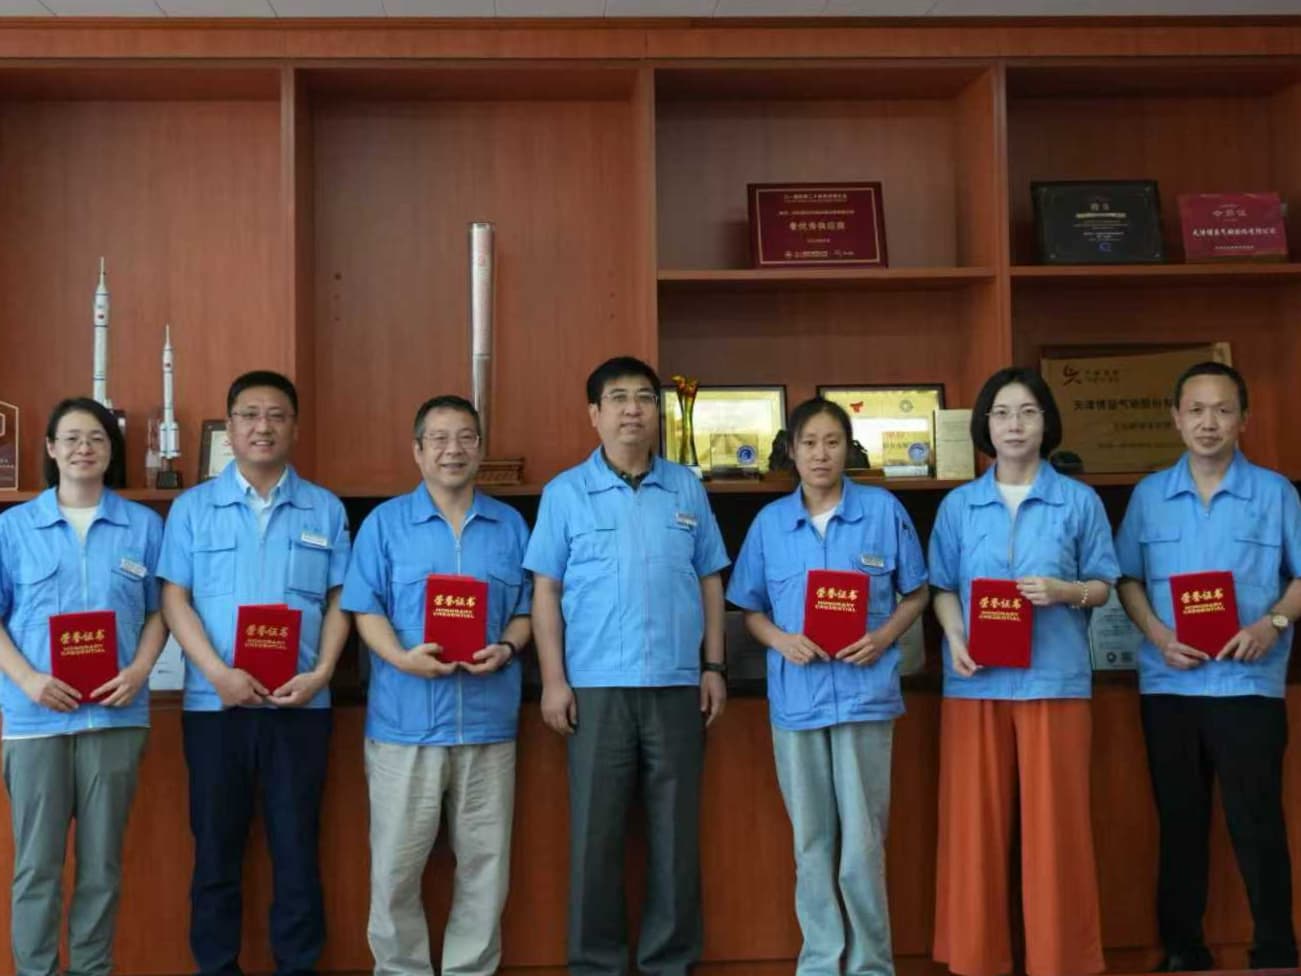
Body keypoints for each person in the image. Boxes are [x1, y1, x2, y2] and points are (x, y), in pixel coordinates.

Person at [523, 355, 729, 976]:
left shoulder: (686, 488)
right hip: (595, 689)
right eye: (618, 398)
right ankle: (595, 963)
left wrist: (713, 666)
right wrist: (553, 681)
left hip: (675, 685)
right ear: (595, 414)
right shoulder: (565, 493)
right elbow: (546, 591)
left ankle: (670, 962)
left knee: (676, 838)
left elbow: (710, 579)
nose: (633, 410)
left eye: (644, 397)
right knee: (596, 836)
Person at [725, 397, 928, 976]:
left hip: (865, 695)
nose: (821, 454)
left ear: (848, 449)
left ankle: (870, 965)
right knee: (811, 842)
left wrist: (883, 637)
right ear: (791, 451)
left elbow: (916, 593)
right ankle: (819, 961)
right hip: (798, 699)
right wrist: (781, 640)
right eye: (809, 443)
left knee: (863, 843)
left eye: (833, 442)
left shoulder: (883, 511)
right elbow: (749, 609)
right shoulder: (770, 524)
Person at [158, 370, 351, 976]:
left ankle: (298, 966)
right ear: (230, 426)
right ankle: (216, 967)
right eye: (249, 414)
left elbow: (342, 600)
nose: (262, 427)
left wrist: (322, 673)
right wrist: (217, 673)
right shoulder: (193, 509)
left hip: (301, 706)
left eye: (276, 415)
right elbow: (174, 600)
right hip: (216, 708)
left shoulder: (325, 508)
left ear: (294, 427)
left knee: (297, 850)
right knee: (216, 852)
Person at [928, 366, 1118, 976]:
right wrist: (955, 636)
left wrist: (1065, 591)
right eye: (1003, 413)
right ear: (986, 424)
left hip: (1053, 681)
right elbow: (941, 587)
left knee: (1055, 833)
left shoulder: (1079, 501)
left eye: (1028, 412)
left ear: (1046, 423)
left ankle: (1060, 961)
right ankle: (976, 960)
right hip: (974, 681)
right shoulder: (959, 505)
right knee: (974, 832)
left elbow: (1104, 586)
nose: (1015, 425)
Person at [1115, 361, 1300, 972]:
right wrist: (1158, 635)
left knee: (1258, 823)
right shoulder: (1149, 496)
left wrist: (1271, 625)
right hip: (1170, 685)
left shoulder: (1276, 493)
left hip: (1249, 686)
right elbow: (1127, 579)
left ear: (1244, 419)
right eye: (1195, 409)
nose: (1208, 422)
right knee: (1180, 824)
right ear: (1175, 418)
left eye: (1223, 410)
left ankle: (1275, 950)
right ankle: (1183, 951)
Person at [341, 394, 532, 976]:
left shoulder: (510, 526)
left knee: (485, 869)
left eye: (466, 437)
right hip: (405, 726)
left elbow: (527, 610)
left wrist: (507, 647)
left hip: (487, 725)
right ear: (418, 451)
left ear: (480, 448)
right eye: (440, 439)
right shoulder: (384, 524)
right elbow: (363, 608)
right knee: (395, 872)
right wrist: (401, 658)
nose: (454, 450)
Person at [0, 396, 166, 976]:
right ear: (51, 448)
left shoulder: (144, 526)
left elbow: (160, 612)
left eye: (95, 438)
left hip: (115, 716)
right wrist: (28, 679)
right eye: (70, 438)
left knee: (101, 867)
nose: (83, 448)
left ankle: (92, 970)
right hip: (35, 722)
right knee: (36, 868)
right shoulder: (12, 528)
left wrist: (139, 670)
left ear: (110, 449)